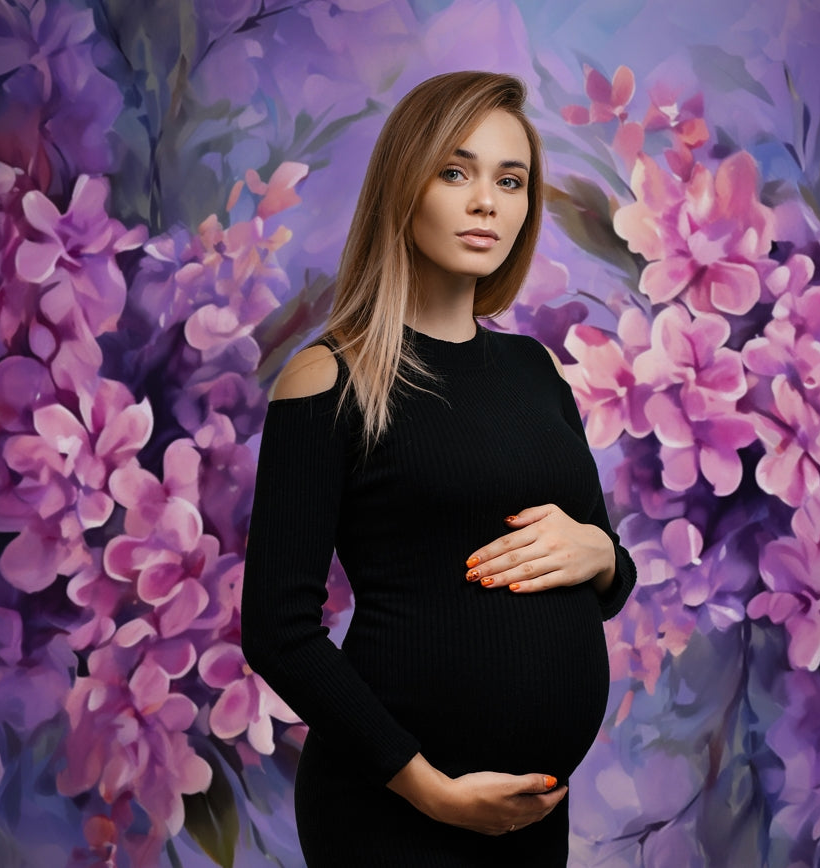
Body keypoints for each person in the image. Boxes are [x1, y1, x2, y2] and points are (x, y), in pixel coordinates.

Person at [241, 71, 637, 867]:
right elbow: (276, 632)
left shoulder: (534, 371)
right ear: (404, 183)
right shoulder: (331, 376)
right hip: (393, 812)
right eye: (455, 171)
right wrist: (428, 788)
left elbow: (597, 575)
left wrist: (604, 557)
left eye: (510, 179)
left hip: (526, 816)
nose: (485, 200)